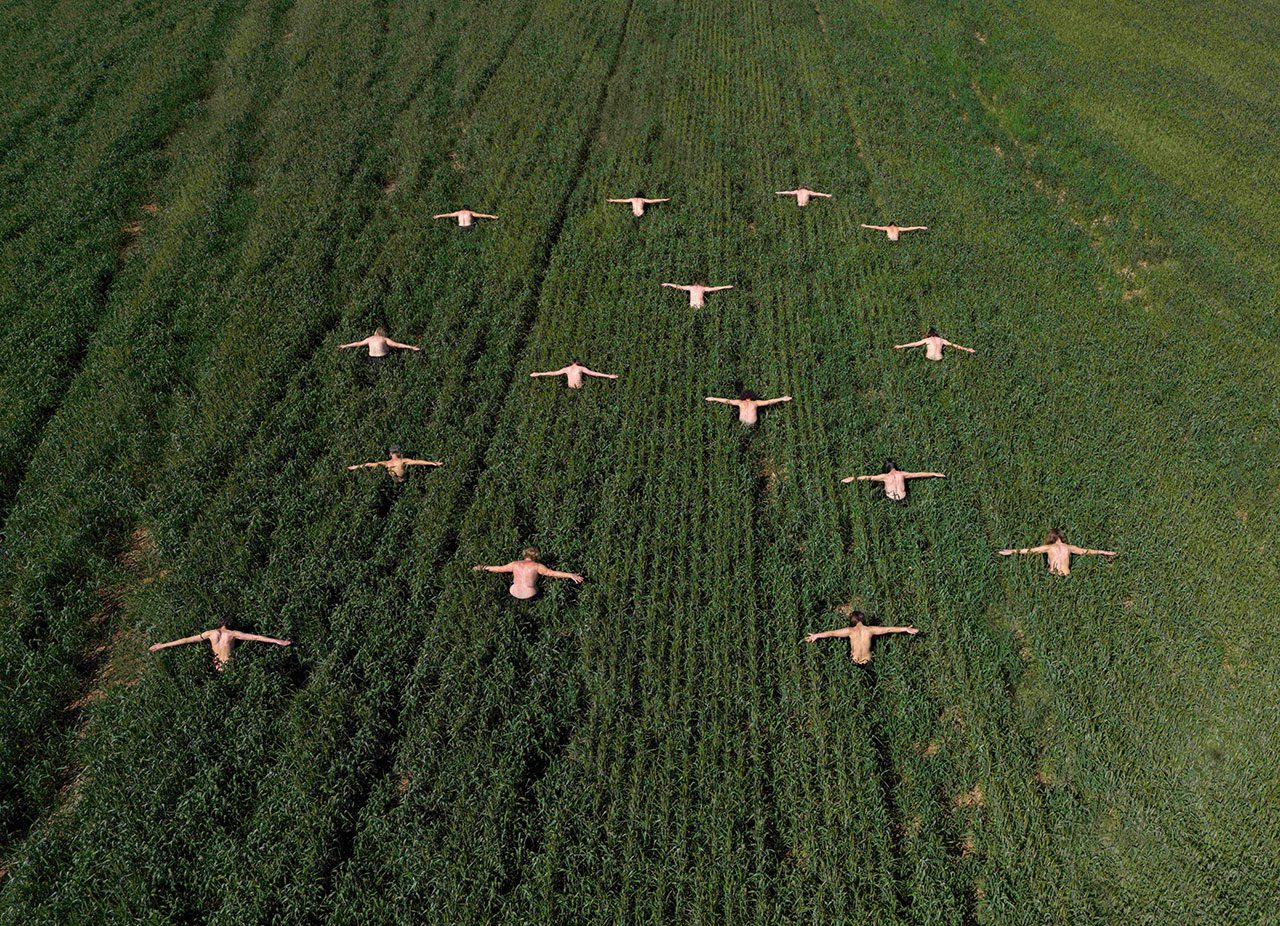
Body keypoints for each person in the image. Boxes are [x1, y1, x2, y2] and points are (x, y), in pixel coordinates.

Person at [148, 618, 290, 672]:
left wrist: (163, 645)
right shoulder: (233, 634)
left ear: (220, 624)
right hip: (231, 667)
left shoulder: (211, 633)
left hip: (217, 667)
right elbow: (257, 637)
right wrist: (278, 641)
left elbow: (186, 639)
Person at [803, 609, 919, 665]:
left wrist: (816, 635)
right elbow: (888, 629)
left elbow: (832, 633)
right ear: (863, 619)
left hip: (854, 662)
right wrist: (905, 629)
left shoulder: (850, 631)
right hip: (868, 662)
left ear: (852, 620)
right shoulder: (870, 630)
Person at [472, 547, 584, 600]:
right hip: (531, 594)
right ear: (536, 557)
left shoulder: (514, 564)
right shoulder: (537, 566)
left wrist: (482, 567)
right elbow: (551, 573)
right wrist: (570, 575)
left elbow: (498, 568)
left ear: (524, 555)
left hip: (513, 593)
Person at [998, 529, 1117, 576]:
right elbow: (1087, 551)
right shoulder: (1069, 547)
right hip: (1066, 575)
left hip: (1053, 576)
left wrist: (1012, 551)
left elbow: (1030, 550)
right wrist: (1104, 552)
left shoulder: (1049, 547)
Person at [843, 458, 944, 501]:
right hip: (903, 497)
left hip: (891, 498)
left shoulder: (885, 476)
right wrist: (934, 474)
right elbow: (918, 474)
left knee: (877, 488)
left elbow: (867, 477)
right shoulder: (902, 474)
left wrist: (852, 478)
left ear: (886, 468)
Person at [347, 446, 443, 482]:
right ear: (398, 453)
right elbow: (418, 461)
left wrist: (355, 467)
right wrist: (433, 463)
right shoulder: (402, 460)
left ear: (390, 454)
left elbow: (368, 464)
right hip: (403, 480)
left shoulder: (386, 463)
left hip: (396, 480)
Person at [704, 390, 792, 426]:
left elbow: (727, 401)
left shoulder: (740, 402)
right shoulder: (756, 403)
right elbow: (769, 401)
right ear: (752, 396)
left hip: (742, 423)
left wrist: (713, 398)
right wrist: (782, 398)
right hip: (753, 424)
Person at [894, 327, 975, 362]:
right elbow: (954, 345)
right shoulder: (942, 340)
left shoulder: (928, 340)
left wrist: (901, 346)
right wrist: (967, 349)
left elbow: (915, 344)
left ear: (929, 334)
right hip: (939, 359)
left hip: (929, 358)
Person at [338, 327, 420, 360]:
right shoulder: (384, 339)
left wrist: (345, 346)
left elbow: (358, 343)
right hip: (384, 358)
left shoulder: (370, 339)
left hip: (371, 359)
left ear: (376, 333)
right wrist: (411, 347)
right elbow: (398, 345)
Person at [530, 361, 619, 389]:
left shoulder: (570, 369)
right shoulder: (580, 368)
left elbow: (553, 373)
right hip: (574, 389)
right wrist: (608, 375)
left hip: (576, 388)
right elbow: (595, 373)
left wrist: (538, 374)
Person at [661, 282, 734, 308]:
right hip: (693, 305)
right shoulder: (692, 288)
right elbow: (679, 286)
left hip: (699, 305)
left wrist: (726, 286)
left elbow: (714, 288)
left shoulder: (701, 288)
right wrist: (668, 284)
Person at [861, 222, 928, 242]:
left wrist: (866, 226)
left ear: (889, 225)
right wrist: (920, 227)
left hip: (890, 240)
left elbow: (876, 227)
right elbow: (909, 228)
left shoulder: (887, 228)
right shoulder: (898, 228)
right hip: (896, 240)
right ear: (895, 225)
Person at [433, 209, 498, 228]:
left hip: (461, 227)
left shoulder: (458, 213)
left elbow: (449, 215)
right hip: (470, 226)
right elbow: (482, 215)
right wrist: (491, 216)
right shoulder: (470, 212)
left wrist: (439, 216)